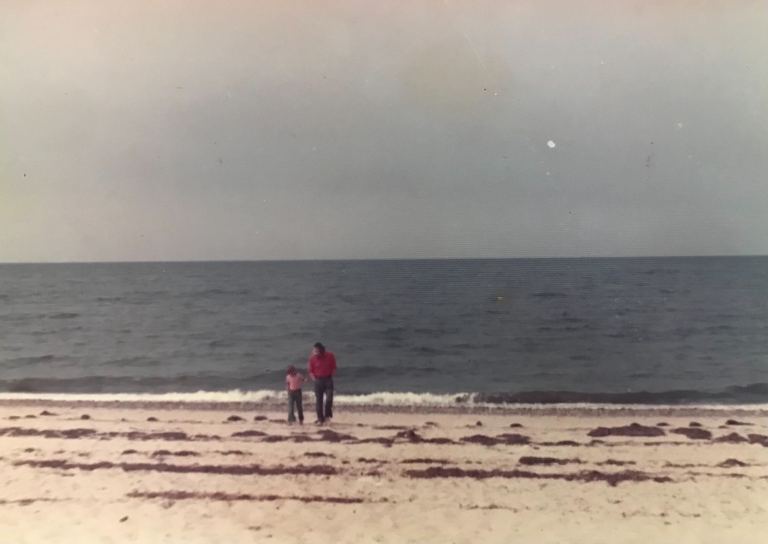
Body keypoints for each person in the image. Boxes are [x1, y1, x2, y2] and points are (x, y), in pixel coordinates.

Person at [307, 342, 336, 425]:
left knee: (329, 399)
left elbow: (334, 367)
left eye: (316, 351)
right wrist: (314, 379)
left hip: (328, 380)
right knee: (319, 401)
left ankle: (327, 416)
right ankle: (320, 419)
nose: (314, 353)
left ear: (321, 351)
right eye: (314, 351)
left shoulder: (330, 355)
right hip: (318, 381)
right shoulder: (312, 358)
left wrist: (331, 376)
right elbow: (310, 371)